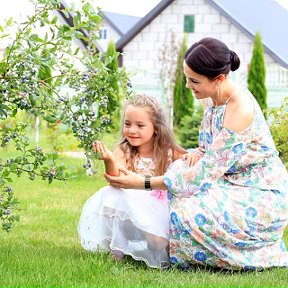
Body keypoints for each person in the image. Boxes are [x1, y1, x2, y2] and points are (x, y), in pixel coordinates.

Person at [104, 37, 288, 271]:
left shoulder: (239, 108)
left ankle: (225, 254)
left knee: (185, 209)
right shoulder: (212, 99)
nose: (188, 86)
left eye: (194, 80)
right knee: (178, 179)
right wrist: (194, 154)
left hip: (258, 194)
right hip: (227, 182)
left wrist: (143, 182)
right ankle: (160, 242)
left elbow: (204, 175)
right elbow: (208, 148)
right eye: (187, 78)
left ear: (219, 78)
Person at [77, 93, 186, 268]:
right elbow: (115, 179)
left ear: (156, 128)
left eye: (140, 125)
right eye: (127, 124)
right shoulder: (125, 149)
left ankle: (155, 246)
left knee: (157, 244)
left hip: (157, 207)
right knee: (115, 193)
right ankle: (118, 247)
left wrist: (194, 154)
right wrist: (109, 159)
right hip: (129, 207)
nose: (132, 130)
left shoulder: (168, 151)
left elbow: (191, 162)